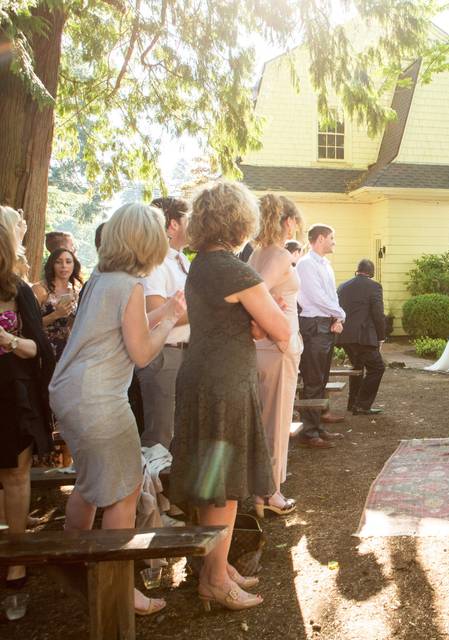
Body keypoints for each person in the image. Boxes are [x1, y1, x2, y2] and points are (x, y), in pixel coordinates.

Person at [49, 203, 186, 616]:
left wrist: (164, 310)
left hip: (70, 392)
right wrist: (172, 320)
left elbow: (127, 326)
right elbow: (143, 351)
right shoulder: (130, 286)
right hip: (100, 399)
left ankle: (73, 568)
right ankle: (117, 589)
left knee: (90, 486)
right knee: (124, 492)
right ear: (144, 241)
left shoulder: (102, 280)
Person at [168, 181, 290, 611]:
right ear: (239, 220)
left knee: (210, 480)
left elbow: (246, 322)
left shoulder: (201, 264)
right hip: (225, 383)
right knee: (226, 484)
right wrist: (267, 312)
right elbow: (281, 331)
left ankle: (213, 566)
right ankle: (215, 581)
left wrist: (256, 318)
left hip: (199, 375)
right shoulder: (235, 270)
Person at [0, 219, 55, 589]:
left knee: (15, 476)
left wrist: (7, 339)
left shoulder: (17, 290)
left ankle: (17, 565)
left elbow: (40, 350)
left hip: (12, 394)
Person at [249, 194, 304, 516]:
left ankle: (261, 492)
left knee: (264, 421)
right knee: (276, 421)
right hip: (276, 346)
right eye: (295, 219)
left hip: (263, 347)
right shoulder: (280, 255)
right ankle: (271, 493)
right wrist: (272, 321)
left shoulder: (257, 253)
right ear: (287, 221)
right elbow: (258, 291)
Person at [133, 197, 191, 450]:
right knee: (160, 435)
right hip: (165, 355)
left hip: (186, 353)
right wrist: (207, 310)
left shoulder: (181, 260)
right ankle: (152, 490)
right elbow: (155, 312)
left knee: (179, 433)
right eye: (188, 218)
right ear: (173, 225)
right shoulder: (155, 263)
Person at [297, 224, 347, 447]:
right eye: (331, 238)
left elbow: (331, 295)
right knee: (313, 379)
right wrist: (341, 314)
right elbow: (316, 297)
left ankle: (318, 427)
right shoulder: (306, 265)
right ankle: (309, 433)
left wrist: (337, 318)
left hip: (326, 324)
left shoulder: (325, 264)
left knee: (322, 379)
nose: (334, 242)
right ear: (319, 239)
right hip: (314, 325)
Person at [337, 259, 387, 415]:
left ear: (357, 271)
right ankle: (362, 405)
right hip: (364, 336)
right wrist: (381, 336)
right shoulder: (374, 286)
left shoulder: (342, 286)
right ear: (371, 273)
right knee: (377, 368)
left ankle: (353, 403)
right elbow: (378, 314)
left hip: (344, 336)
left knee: (357, 367)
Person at [32, 248, 83, 360]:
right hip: (42, 347)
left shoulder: (77, 291)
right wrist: (56, 314)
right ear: (52, 265)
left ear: (74, 265)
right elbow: (30, 324)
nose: (64, 266)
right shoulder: (40, 289)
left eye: (68, 262)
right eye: (58, 262)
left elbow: (73, 326)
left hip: (68, 350)